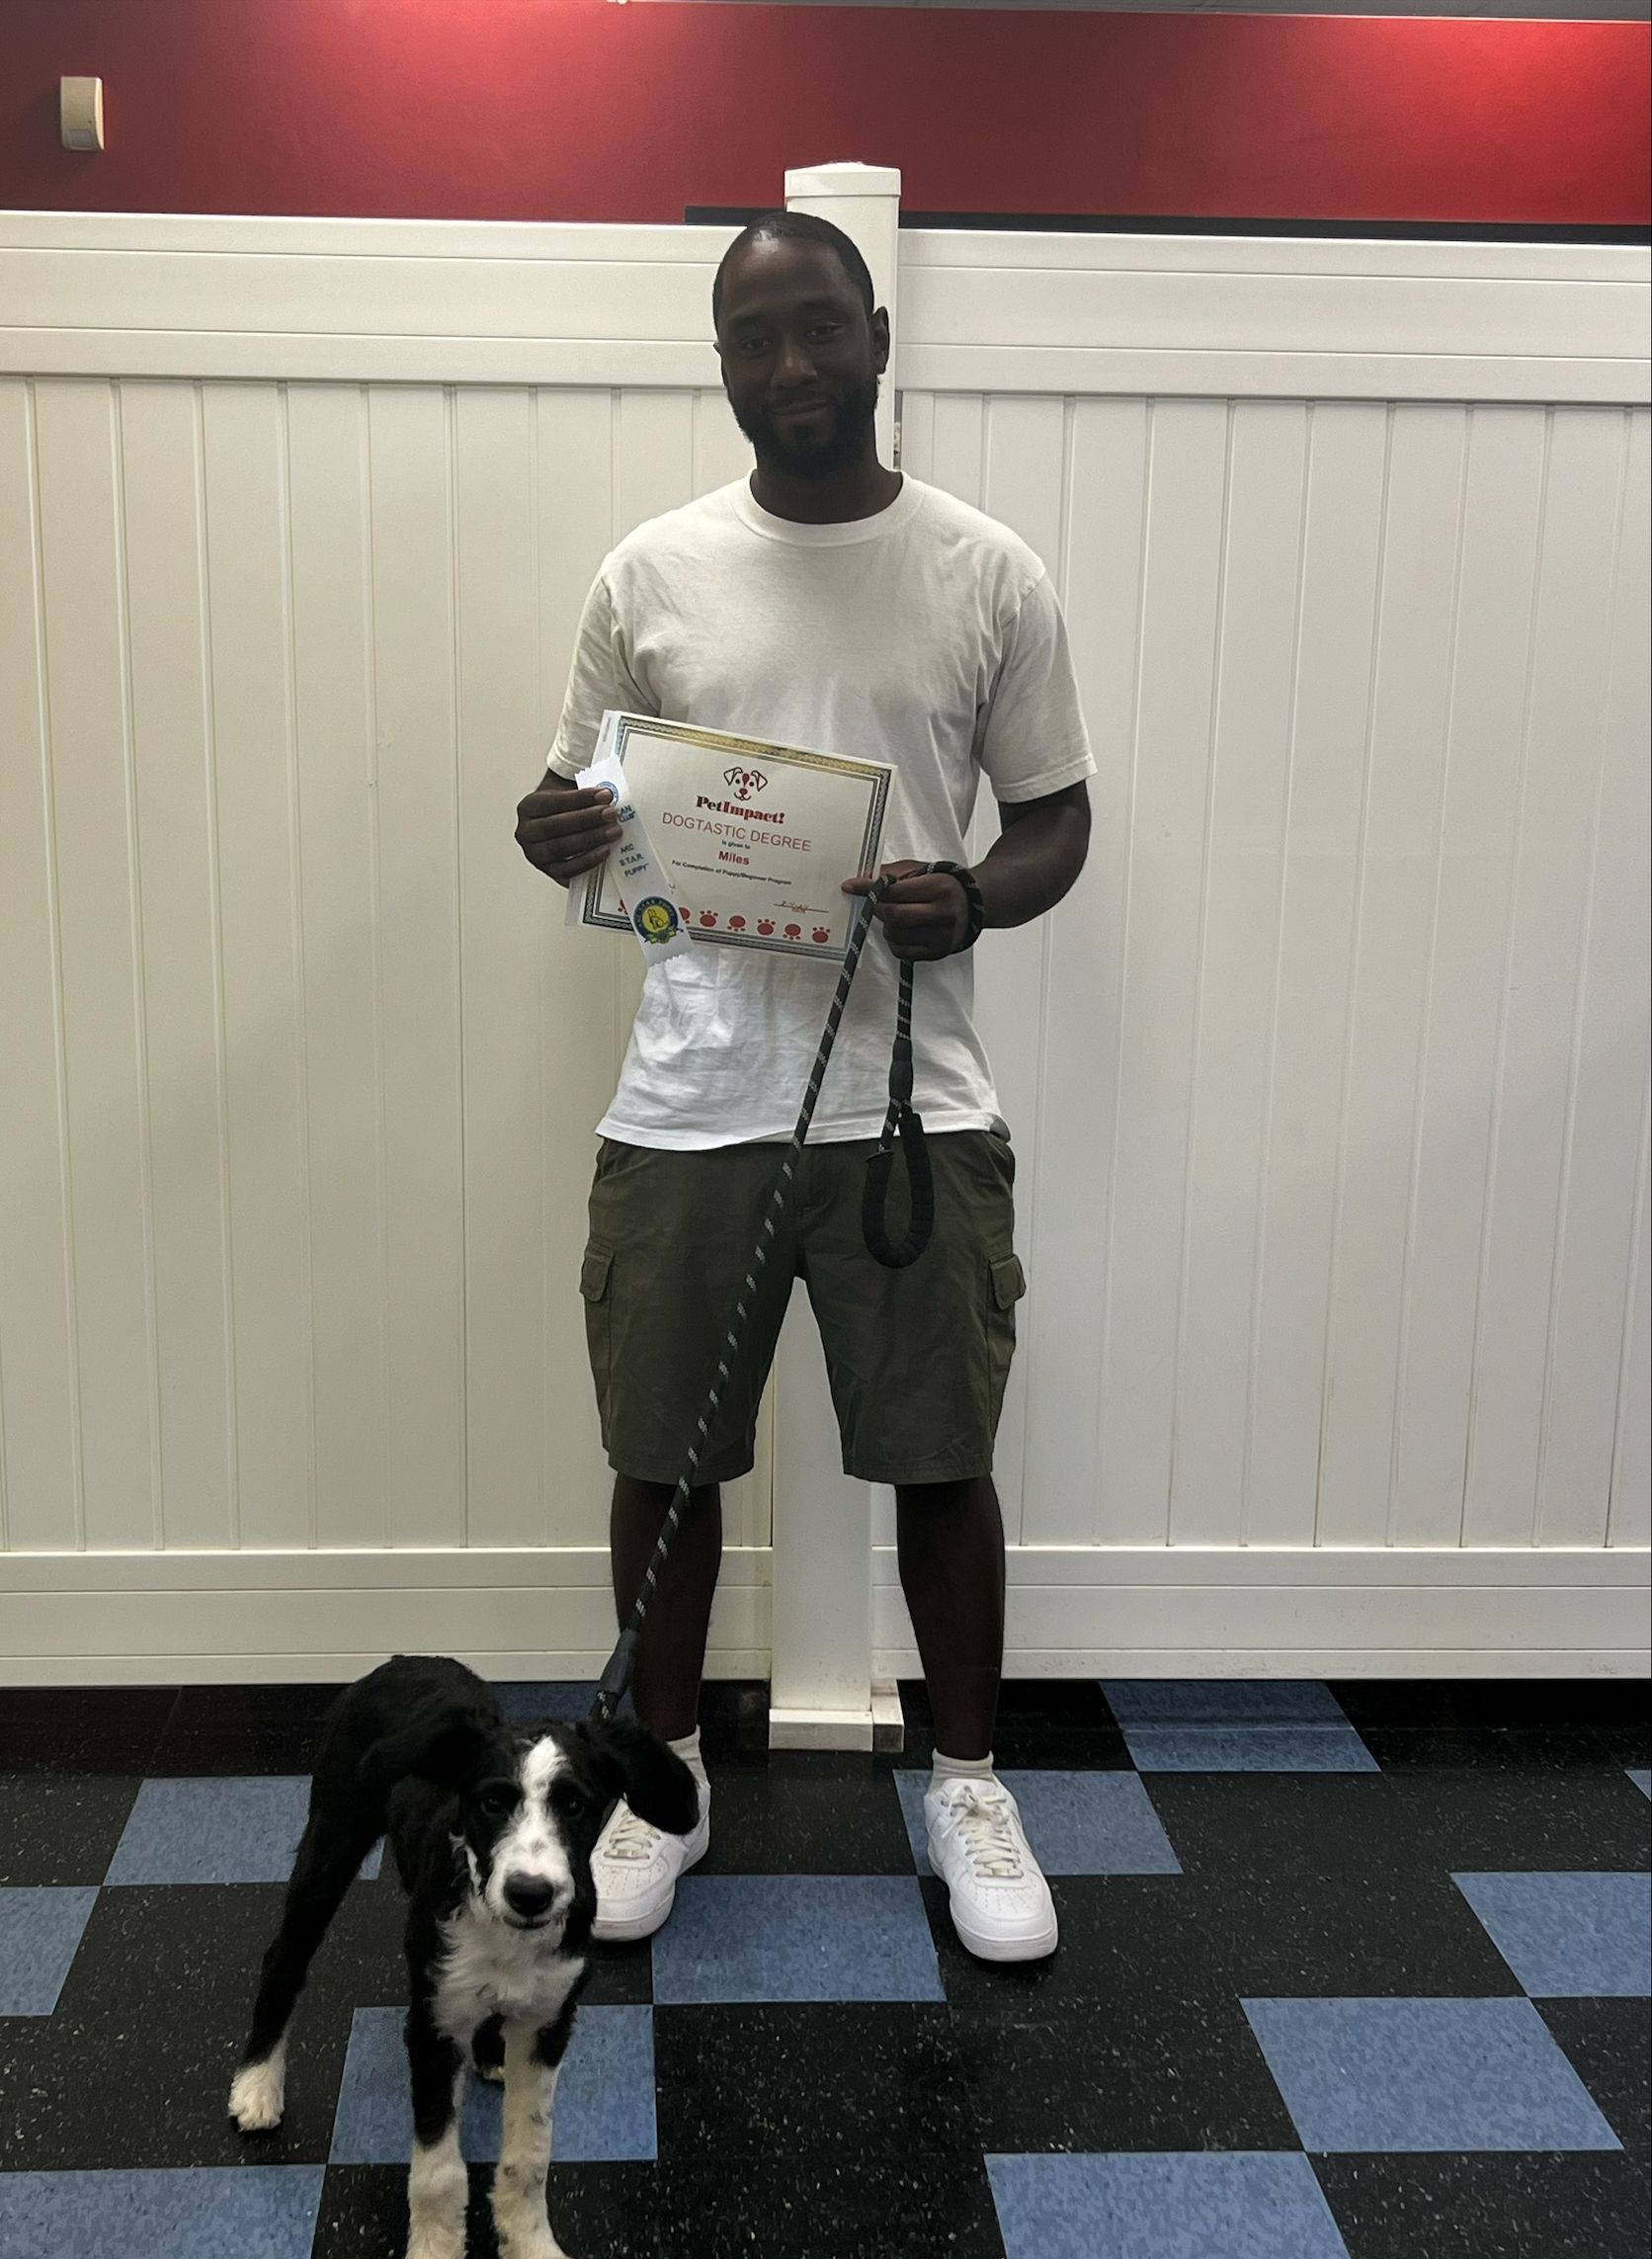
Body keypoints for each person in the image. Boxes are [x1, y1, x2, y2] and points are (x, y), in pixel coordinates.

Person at [514, 210, 1094, 1966]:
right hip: (692, 1099)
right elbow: (574, 809)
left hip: (913, 1103)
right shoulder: (650, 575)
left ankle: (970, 1786)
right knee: (661, 1466)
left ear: (877, 336)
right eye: (756, 339)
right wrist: (554, 836)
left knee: (942, 1461)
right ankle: (660, 1780)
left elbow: (1058, 818)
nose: (792, 369)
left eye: (820, 330)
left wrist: (972, 894)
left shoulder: (986, 571)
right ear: (722, 363)